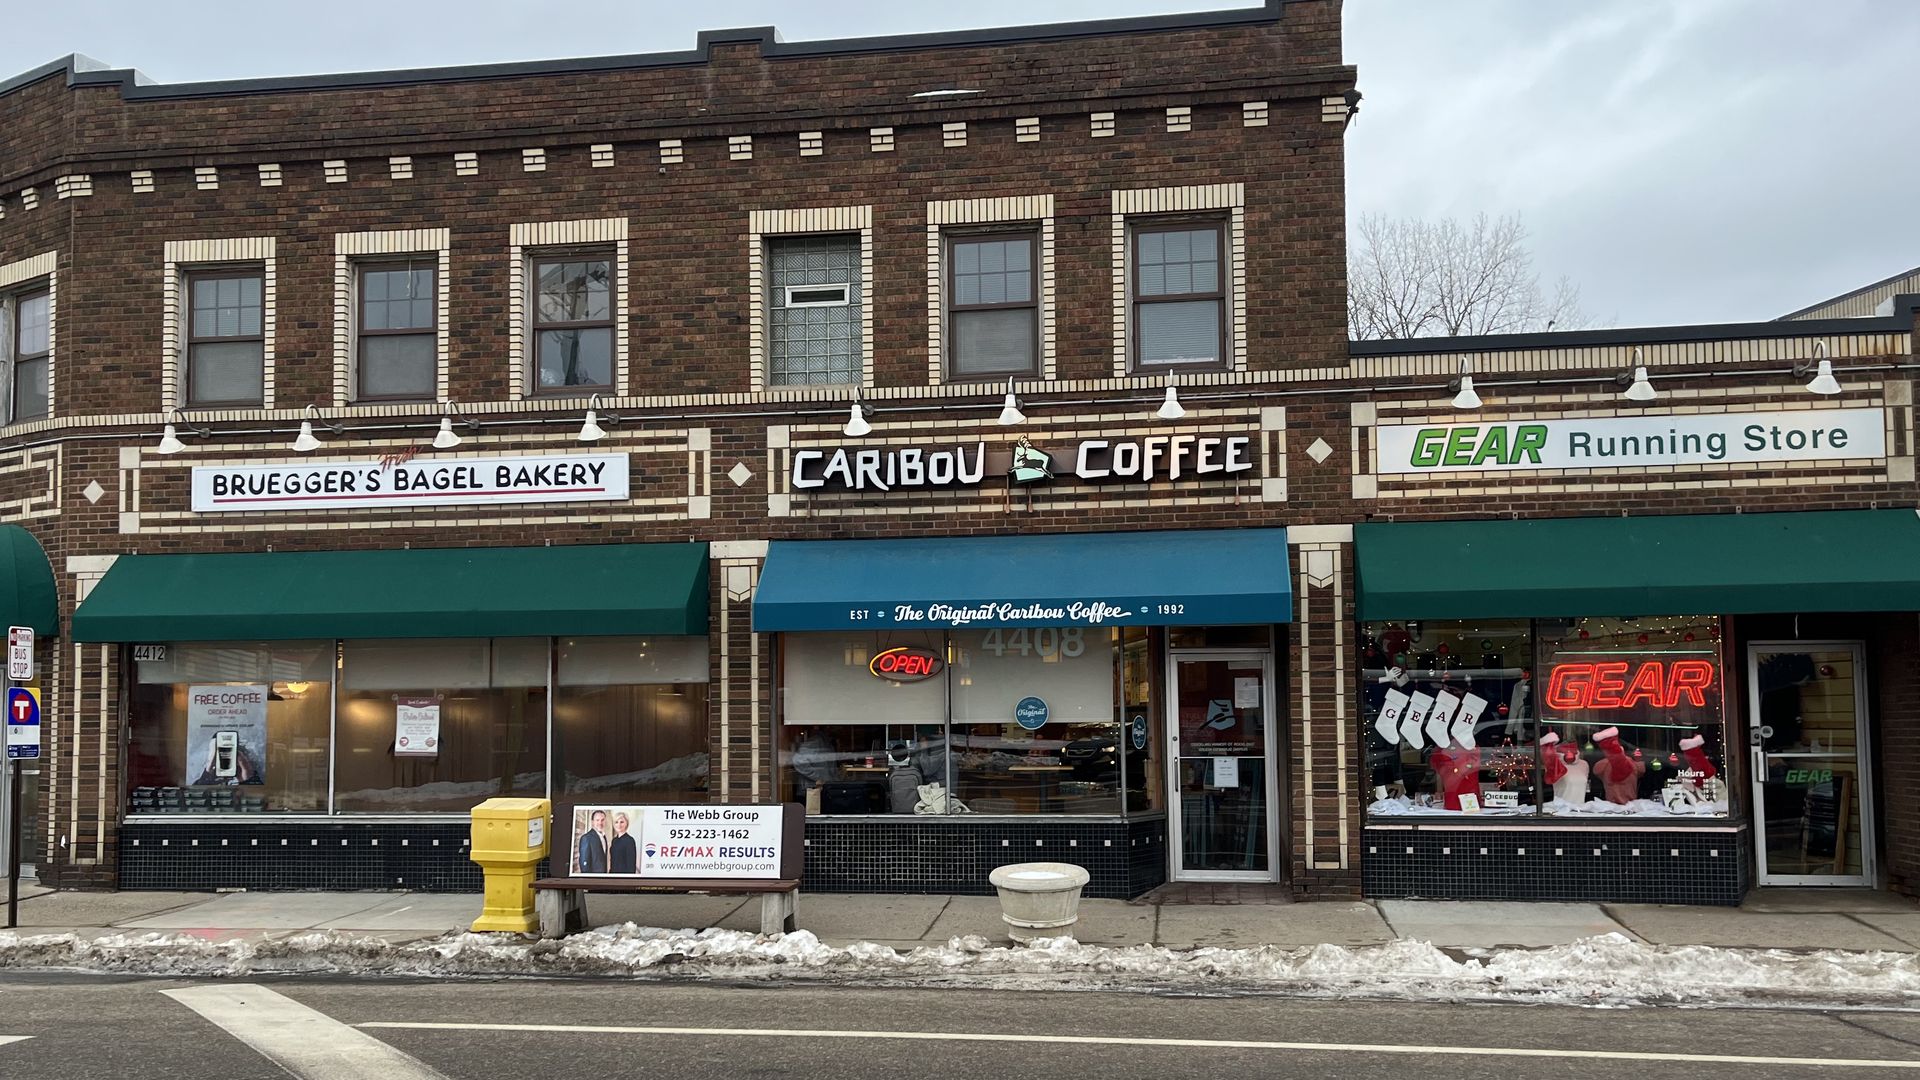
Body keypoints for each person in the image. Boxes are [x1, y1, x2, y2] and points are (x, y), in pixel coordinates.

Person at [577, 809, 610, 874]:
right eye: (597, 820)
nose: (600, 823)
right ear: (592, 822)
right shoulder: (586, 838)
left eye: (602, 820)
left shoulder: (604, 837)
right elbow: (584, 865)